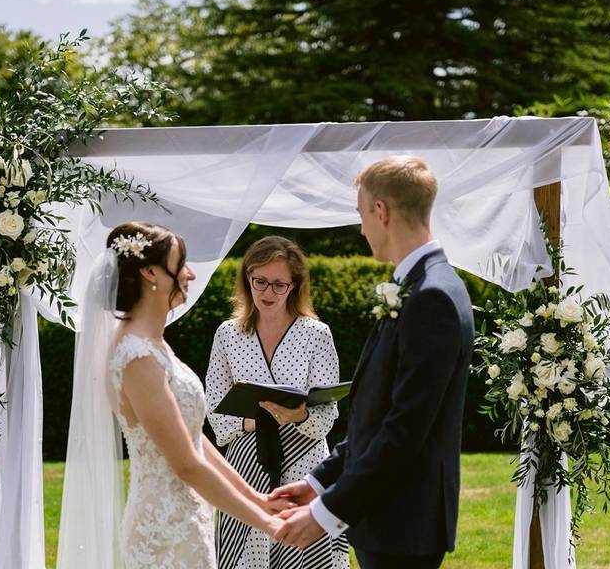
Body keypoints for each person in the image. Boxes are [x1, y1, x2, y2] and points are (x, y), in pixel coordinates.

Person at [271, 157, 475, 569]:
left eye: (361, 213)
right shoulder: (422, 285)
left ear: (380, 211)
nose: (362, 228)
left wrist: (325, 513)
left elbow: (404, 431)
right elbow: (377, 413)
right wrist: (318, 482)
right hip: (388, 519)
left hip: (402, 522)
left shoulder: (430, 297)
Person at [56, 222, 289, 569]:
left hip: (186, 520)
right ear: (151, 272)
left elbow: (194, 440)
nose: (190, 275)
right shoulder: (136, 357)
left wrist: (256, 498)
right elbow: (186, 464)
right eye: (181, 265)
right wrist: (265, 523)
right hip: (162, 532)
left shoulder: (154, 345)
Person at [206, 236, 349, 569]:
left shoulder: (317, 334)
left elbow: (328, 412)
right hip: (246, 466)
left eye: (278, 285)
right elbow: (213, 405)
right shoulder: (227, 334)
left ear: (294, 285)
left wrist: (300, 415)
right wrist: (253, 422)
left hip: (307, 467)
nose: (267, 293)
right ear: (247, 279)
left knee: (307, 556)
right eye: (259, 281)